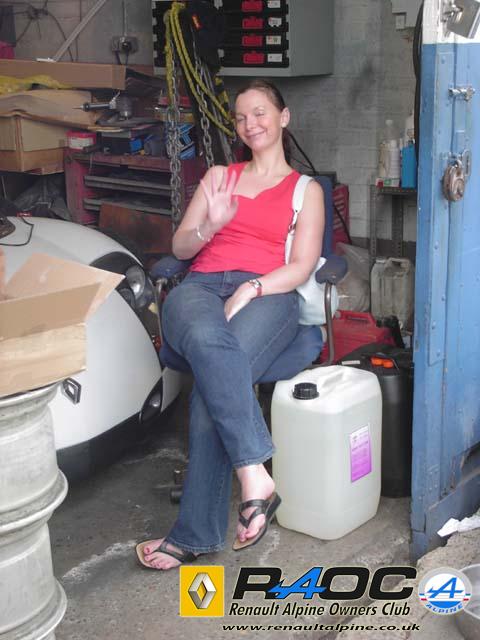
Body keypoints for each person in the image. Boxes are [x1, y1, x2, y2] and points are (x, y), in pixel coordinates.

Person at [135, 79, 325, 570]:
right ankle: (254, 472)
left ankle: (194, 535)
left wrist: (253, 288)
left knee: (212, 381)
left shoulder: (305, 190)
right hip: (199, 287)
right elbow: (180, 247)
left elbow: (302, 266)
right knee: (208, 344)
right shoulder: (219, 177)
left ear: (283, 117)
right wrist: (210, 226)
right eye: (241, 117)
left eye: (260, 112)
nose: (250, 124)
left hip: (268, 293)